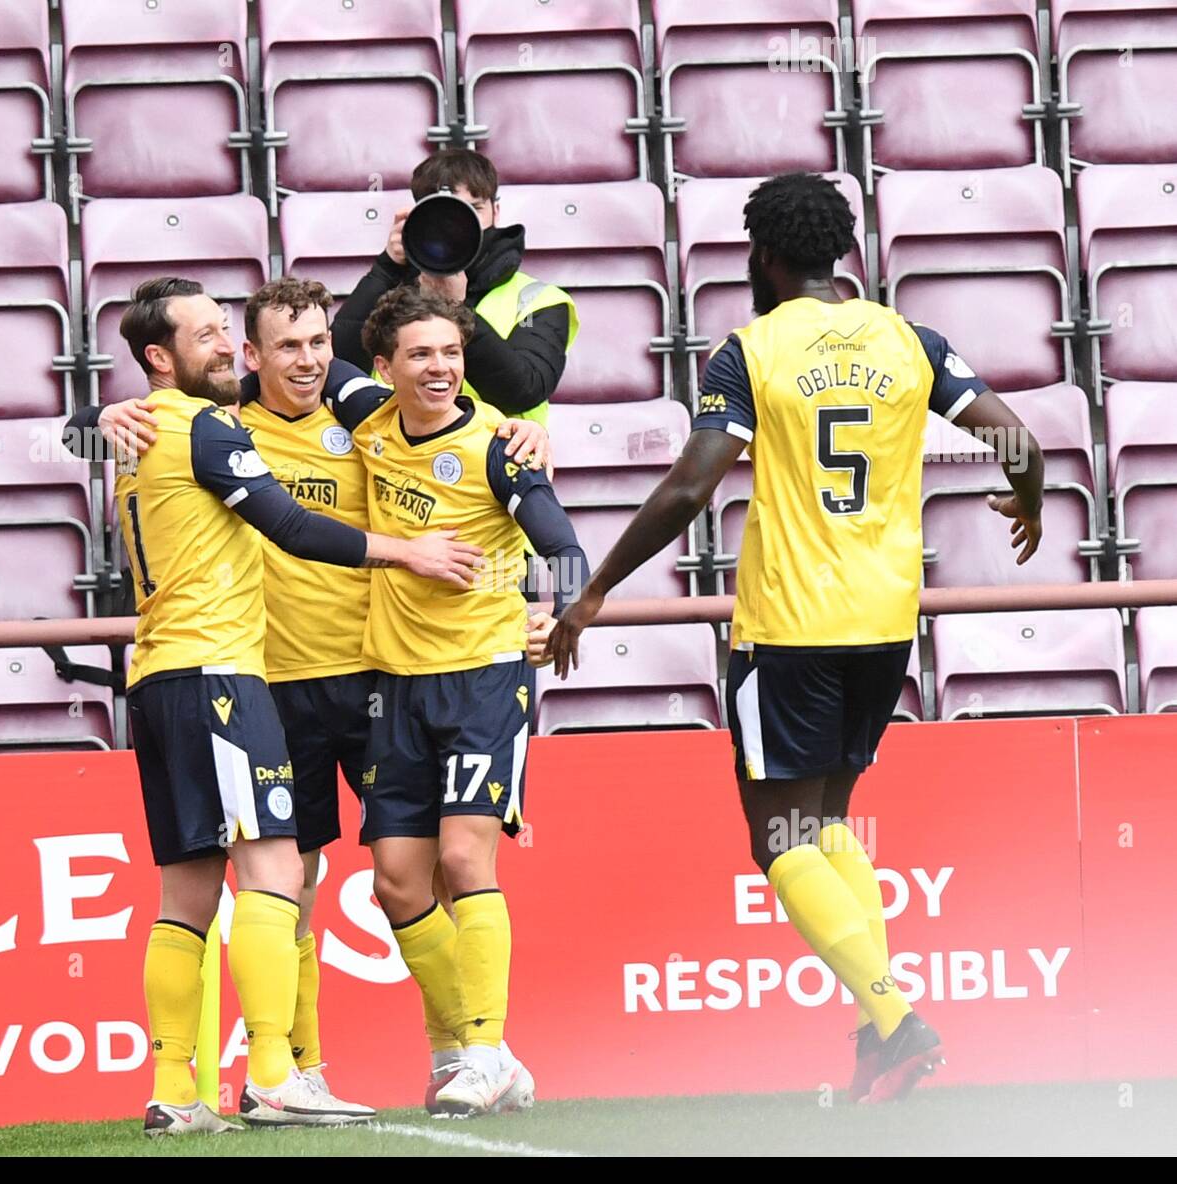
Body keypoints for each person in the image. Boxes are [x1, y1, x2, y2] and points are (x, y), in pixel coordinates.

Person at [546, 172, 1046, 1104]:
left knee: (776, 835)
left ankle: (897, 1017)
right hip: (886, 620)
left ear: (764, 256)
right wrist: (1028, 498)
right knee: (825, 824)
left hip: (791, 627)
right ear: (840, 251)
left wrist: (592, 592)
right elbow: (1021, 440)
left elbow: (692, 489)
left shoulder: (752, 349)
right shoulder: (912, 340)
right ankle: (876, 1036)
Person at [78, 276, 552, 1119]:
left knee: (417, 874)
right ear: (252, 356)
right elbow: (280, 517)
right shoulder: (219, 425)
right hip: (265, 682)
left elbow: (436, 396)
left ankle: (467, 1048)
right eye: (281, 346)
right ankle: (296, 1066)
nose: (305, 359)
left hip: (377, 679)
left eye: (316, 344)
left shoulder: (364, 421)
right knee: (285, 880)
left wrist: (515, 430)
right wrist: (91, 414)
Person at [350, 286, 589, 1115]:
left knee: (462, 861)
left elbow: (562, 545)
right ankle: (477, 1051)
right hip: (393, 686)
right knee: (396, 881)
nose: (441, 368)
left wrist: (557, 609)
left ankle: (479, 1049)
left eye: (451, 353)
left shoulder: (498, 446)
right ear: (386, 369)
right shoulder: (368, 429)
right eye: (421, 354)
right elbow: (288, 374)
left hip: (484, 677)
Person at [332, 149, 578, 424]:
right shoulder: (392, 291)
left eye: (473, 209)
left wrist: (457, 307)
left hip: (497, 459)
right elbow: (340, 363)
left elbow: (523, 391)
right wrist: (387, 267)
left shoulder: (536, 300)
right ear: (419, 216)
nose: (458, 225)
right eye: (445, 212)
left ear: (495, 212)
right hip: (400, 458)